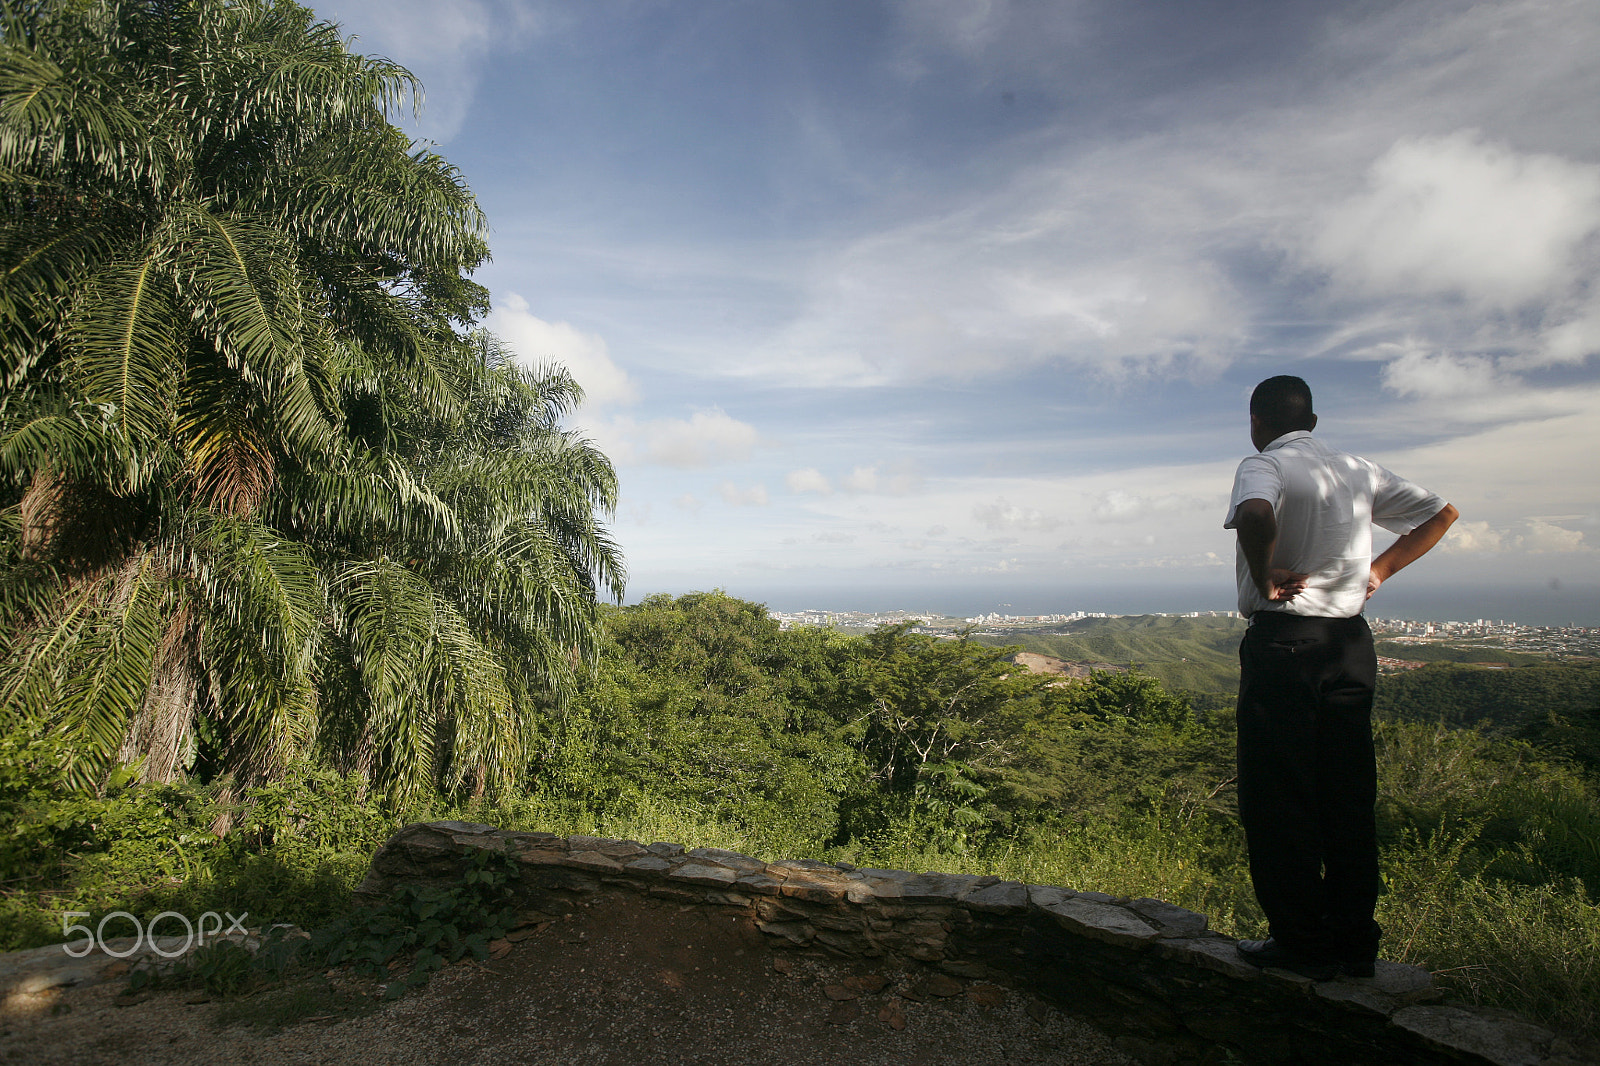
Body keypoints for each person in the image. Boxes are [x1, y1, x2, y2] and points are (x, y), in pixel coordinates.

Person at [1223, 375, 1458, 980]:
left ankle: (1300, 941)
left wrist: (1266, 571)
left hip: (1285, 646)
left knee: (1279, 796)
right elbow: (1441, 513)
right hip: (1350, 646)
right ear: (1315, 422)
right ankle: (1354, 942)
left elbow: (1253, 516)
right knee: (1347, 793)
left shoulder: (1263, 465)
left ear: (1256, 421)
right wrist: (1378, 570)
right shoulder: (1357, 470)